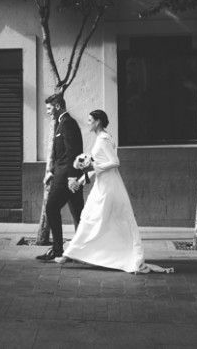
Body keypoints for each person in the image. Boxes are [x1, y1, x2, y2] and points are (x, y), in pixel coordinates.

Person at [58, 110, 173, 274]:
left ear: (98, 122)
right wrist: (83, 177)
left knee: (95, 219)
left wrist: (93, 166)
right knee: (94, 219)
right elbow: (100, 166)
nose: (88, 122)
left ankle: (73, 254)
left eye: (90, 120)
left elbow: (114, 162)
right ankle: (74, 253)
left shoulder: (103, 139)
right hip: (103, 184)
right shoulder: (101, 138)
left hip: (108, 187)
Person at [35, 93, 85, 262]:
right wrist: (51, 172)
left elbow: (73, 152)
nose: (48, 112)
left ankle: (58, 250)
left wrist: (71, 177)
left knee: (51, 208)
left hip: (67, 177)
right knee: (78, 214)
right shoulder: (61, 123)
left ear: (57, 107)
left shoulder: (68, 124)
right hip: (65, 175)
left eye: (49, 109)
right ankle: (81, 250)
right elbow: (62, 155)